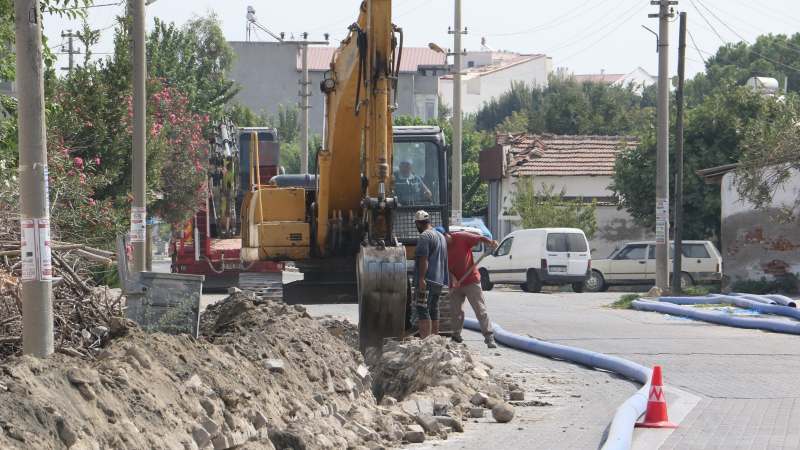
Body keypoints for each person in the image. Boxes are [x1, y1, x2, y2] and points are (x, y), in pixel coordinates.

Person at [436, 226, 498, 348]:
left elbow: (479, 238)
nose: (442, 243)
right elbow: (445, 268)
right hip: (455, 284)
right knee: (455, 312)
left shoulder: (461, 237)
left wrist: (491, 242)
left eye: (442, 239)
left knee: (480, 309)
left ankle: (489, 336)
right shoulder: (441, 249)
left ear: (446, 235)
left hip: (471, 280)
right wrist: (454, 280)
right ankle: (456, 336)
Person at [414, 210, 448, 338]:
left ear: (418, 223)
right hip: (438, 281)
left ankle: (425, 342)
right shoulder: (441, 236)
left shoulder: (425, 236)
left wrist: (422, 278)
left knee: (422, 309)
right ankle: (435, 342)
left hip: (427, 281)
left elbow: (424, 259)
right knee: (434, 309)